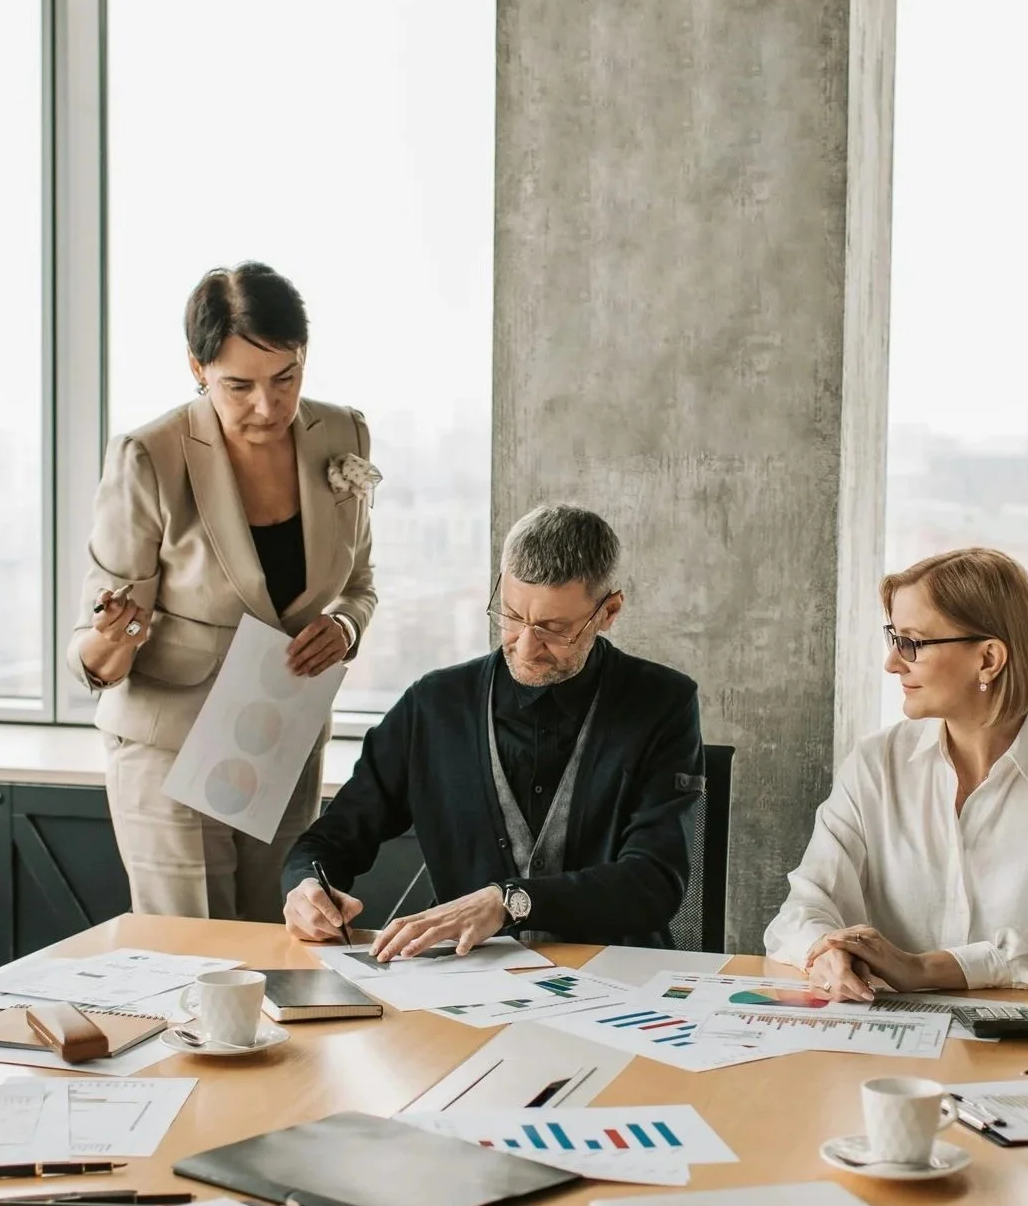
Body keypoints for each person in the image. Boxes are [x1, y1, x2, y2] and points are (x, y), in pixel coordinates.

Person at [68, 262, 377, 920]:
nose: (266, 406)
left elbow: (359, 583)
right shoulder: (148, 455)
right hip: (171, 750)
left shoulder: (343, 433)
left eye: (284, 378)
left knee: (283, 945)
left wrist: (345, 626)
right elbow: (90, 652)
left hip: (282, 734)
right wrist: (112, 640)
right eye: (238, 386)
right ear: (196, 368)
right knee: (197, 961)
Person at [282, 504, 704, 955]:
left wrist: (509, 901)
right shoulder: (433, 705)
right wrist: (306, 886)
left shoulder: (662, 704)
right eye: (511, 616)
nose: (525, 646)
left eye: (553, 629)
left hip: (616, 978)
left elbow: (655, 882)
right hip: (464, 982)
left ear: (609, 611)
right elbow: (333, 837)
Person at [764, 547, 1028, 998]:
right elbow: (803, 907)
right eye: (893, 637)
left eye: (912, 642)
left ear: (988, 659)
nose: (892, 662)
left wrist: (926, 969)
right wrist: (827, 950)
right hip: (881, 1041)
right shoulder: (876, 762)